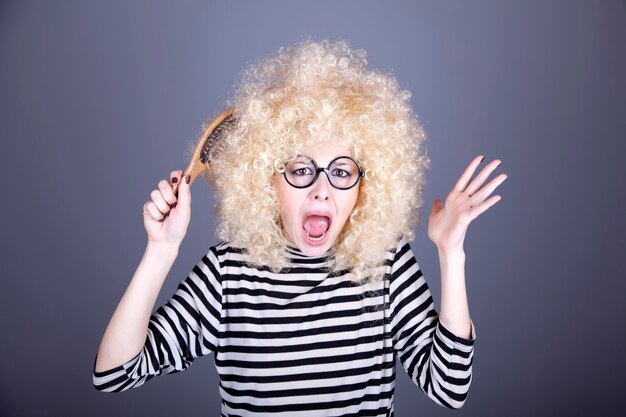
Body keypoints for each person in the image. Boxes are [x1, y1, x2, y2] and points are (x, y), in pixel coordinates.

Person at [93, 40, 507, 416]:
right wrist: (160, 251)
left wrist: (452, 256)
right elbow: (114, 374)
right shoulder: (228, 273)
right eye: (301, 169)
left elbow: (449, 388)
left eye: (342, 171)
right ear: (267, 179)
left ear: (367, 184)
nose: (322, 190)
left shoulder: (387, 264)